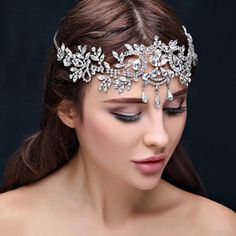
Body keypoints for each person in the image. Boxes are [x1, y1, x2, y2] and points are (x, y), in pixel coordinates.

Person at [0, 0, 235, 235]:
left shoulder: (216, 227)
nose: (160, 137)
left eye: (173, 108)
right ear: (68, 110)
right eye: (128, 114)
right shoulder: (9, 223)